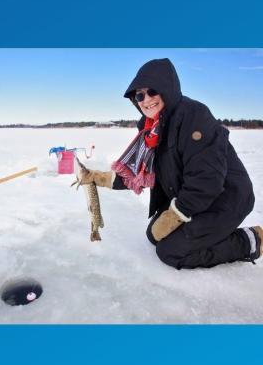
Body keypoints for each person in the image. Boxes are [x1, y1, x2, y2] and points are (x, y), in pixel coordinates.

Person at [77, 58, 261, 269]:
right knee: (153, 235)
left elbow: (207, 180)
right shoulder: (150, 129)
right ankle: (207, 232)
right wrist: (99, 178)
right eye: (139, 95)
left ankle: (249, 241)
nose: (146, 100)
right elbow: (139, 169)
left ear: (167, 88)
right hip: (192, 195)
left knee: (170, 251)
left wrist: (176, 215)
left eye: (152, 91)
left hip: (226, 197)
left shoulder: (194, 116)